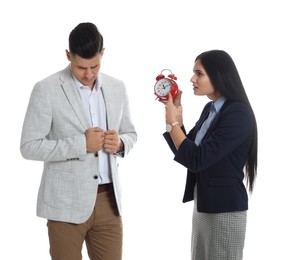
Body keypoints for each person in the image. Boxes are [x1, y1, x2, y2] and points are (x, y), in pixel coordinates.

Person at [20, 22, 137, 260]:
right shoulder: (46, 89)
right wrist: (81, 144)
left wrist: (121, 143)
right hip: (65, 204)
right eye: (81, 67)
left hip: (108, 203)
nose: (89, 74)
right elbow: (29, 146)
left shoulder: (117, 87)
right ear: (68, 55)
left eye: (95, 66)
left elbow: (130, 133)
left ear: (102, 53)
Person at [162, 50, 257, 260]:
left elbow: (197, 160)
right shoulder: (210, 109)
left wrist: (173, 123)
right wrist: (175, 120)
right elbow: (188, 154)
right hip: (204, 204)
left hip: (224, 210)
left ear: (218, 75)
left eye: (199, 73)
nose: (192, 79)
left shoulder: (238, 113)